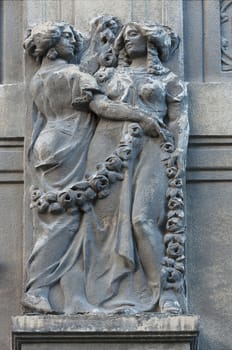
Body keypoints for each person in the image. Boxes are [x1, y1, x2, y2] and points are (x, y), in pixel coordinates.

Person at [56, 22, 188, 314]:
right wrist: (140, 116)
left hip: (154, 147)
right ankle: (103, 294)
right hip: (107, 149)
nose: (126, 41)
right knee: (102, 223)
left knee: (143, 219)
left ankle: (165, 293)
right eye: (124, 37)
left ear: (151, 40)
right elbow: (99, 106)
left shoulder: (170, 80)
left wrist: (180, 149)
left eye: (133, 35)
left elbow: (179, 118)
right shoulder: (108, 75)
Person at [23, 22, 101, 312]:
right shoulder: (72, 74)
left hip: (47, 142)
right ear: (51, 45)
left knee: (71, 219)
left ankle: (75, 298)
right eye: (66, 37)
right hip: (66, 144)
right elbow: (101, 105)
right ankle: (37, 288)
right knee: (65, 221)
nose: (73, 42)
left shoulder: (40, 77)